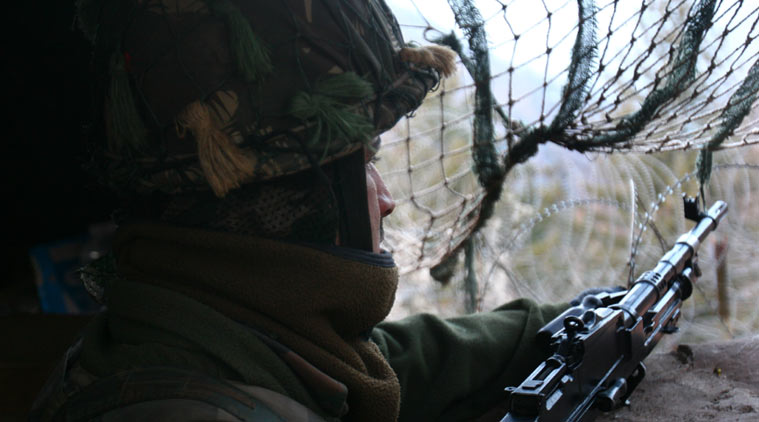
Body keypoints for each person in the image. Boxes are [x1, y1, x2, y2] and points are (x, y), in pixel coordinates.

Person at [30, 0, 568, 420]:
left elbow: (390, 363)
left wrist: (566, 322)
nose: (386, 198)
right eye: (364, 165)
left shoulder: (196, 331)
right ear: (282, 202)